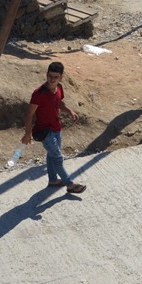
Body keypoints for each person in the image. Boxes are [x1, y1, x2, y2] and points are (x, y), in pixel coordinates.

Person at [20, 61, 86, 194]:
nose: (52, 79)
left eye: (56, 77)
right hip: (44, 131)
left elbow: (59, 102)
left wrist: (69, 111)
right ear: (46, 75)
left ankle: (53, 180)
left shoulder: (59, 88)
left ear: (61, 77)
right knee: (58, 158)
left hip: (56, 128)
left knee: (52, 155)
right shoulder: (38, 94)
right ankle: (70, 184)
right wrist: (28, 134)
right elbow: (29, 115)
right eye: (50, 76)